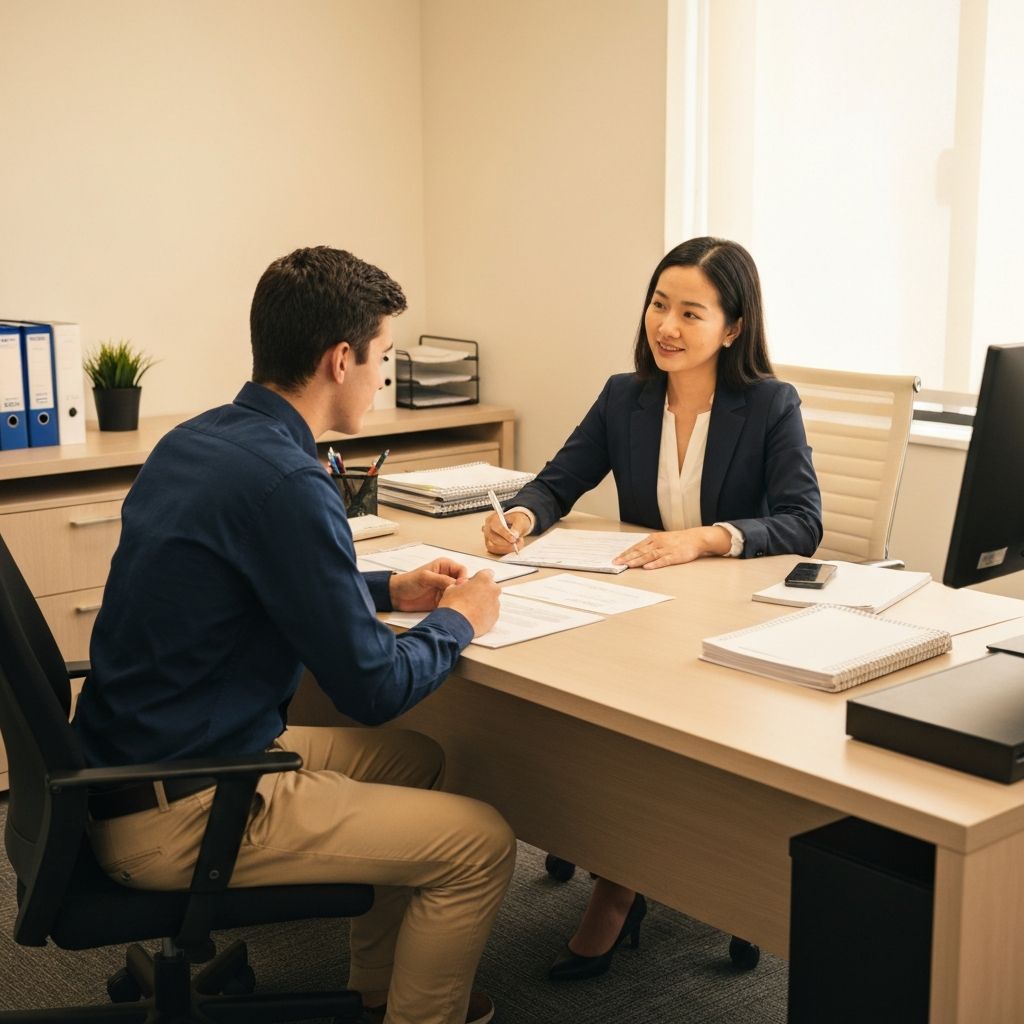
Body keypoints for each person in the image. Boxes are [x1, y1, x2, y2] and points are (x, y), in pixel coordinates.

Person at [73, 246, 514, 1024]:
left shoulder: (200, 440)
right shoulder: (290, 481)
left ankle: (380, 994)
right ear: (339, 359)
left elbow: (251, 583)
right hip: (185, 806)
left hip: (133, 761)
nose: (382, 377)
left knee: (416, 761)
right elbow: (373, 688)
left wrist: (388, 587)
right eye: (381, 357)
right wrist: (459, 618)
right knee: (480, 844)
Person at [482, 236, 822, 981]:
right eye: (659, 305)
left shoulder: (769, 404)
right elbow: (558, 479)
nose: (666, 326)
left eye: (690, 312)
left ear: (732, 328)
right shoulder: (624, 397)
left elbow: (803, 520)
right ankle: (619, 852)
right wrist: (523, 518)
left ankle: (620, 883)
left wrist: (708, 537)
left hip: (728, 620)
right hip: (636, 610)